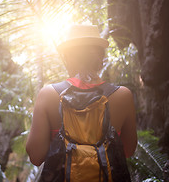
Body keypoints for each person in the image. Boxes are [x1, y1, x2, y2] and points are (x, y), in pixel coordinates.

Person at [26, 24, 137, 168]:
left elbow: (35, 156)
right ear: (101, 58)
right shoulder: (123, 96)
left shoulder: (48, 95)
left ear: (67, 59)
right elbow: (127, 151)